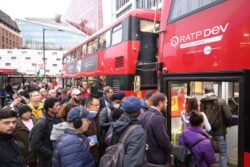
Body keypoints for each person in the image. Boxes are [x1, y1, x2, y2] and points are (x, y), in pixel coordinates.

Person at [109, 96, 147, 167]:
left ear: (124, 110)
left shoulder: (116, 124)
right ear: (139, 112)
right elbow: (133, 162)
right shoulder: (139, 132)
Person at [200, 86, 232, 167]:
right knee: (223, 153)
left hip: (207, 133)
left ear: (205, 92)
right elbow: (228, 116)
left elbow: (201, 118)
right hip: (220, 132)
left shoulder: (202, 102)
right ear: (213, 91)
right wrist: (226, 125)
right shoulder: (221, 101)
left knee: (209, 152)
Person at [140, 92, 173, 166]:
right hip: (157, 159)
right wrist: (171, 147)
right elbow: (163, 140)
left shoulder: (146, 114)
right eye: (166, 102)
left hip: (148, 157)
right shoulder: (157, 118)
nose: (166, 105)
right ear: (160, 103)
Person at [29, 97, 61, 167]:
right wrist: (51, 153)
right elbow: (35, 143)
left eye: (59, 105)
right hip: (46, 160)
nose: (59, 107)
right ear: (49, 108)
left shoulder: (57, 119)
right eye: (57, 105)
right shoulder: (41, 122)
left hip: (56, 157)